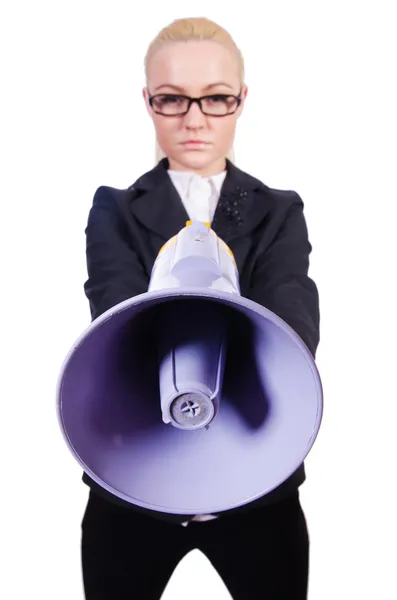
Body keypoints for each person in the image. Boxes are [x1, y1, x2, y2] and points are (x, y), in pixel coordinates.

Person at [81, 16, 320, 600]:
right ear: (148, 102)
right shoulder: (114, 209)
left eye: (215, 99)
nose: (194, 119)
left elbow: (293, 329)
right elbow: (115, 315)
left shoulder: (279, 211)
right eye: (172, 99)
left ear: (241, 101)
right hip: (131, 487)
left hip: (258, 491)